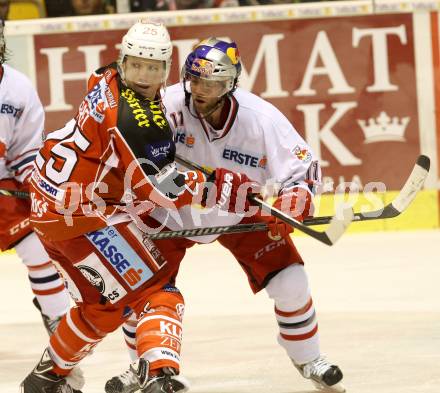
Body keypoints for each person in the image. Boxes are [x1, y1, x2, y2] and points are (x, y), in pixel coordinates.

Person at [21, 21, 253, 393]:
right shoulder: (141, 125)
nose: (143, 76)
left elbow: (121, 156)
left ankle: (44, 381)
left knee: (102, 309)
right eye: (136, 66)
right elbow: (162, 192)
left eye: (152, 67)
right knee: (158, 290)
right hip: (84, 219)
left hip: (46, 208)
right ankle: (159, 372)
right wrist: (213, 183)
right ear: (123, 60)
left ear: (165, 68)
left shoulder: (104, 76)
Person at [107, 38, 345, 393]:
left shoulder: (260, 119)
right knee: (140, 292)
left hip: (237, 214)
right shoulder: (164, 107)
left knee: (291, 281)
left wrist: (294, 201)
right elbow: (141, 165)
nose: (203, 91)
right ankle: (145, 368)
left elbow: (303, 170)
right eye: (197, 81)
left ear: (232, 83)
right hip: (169, 214)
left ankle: (309, 358)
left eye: (214, 83)